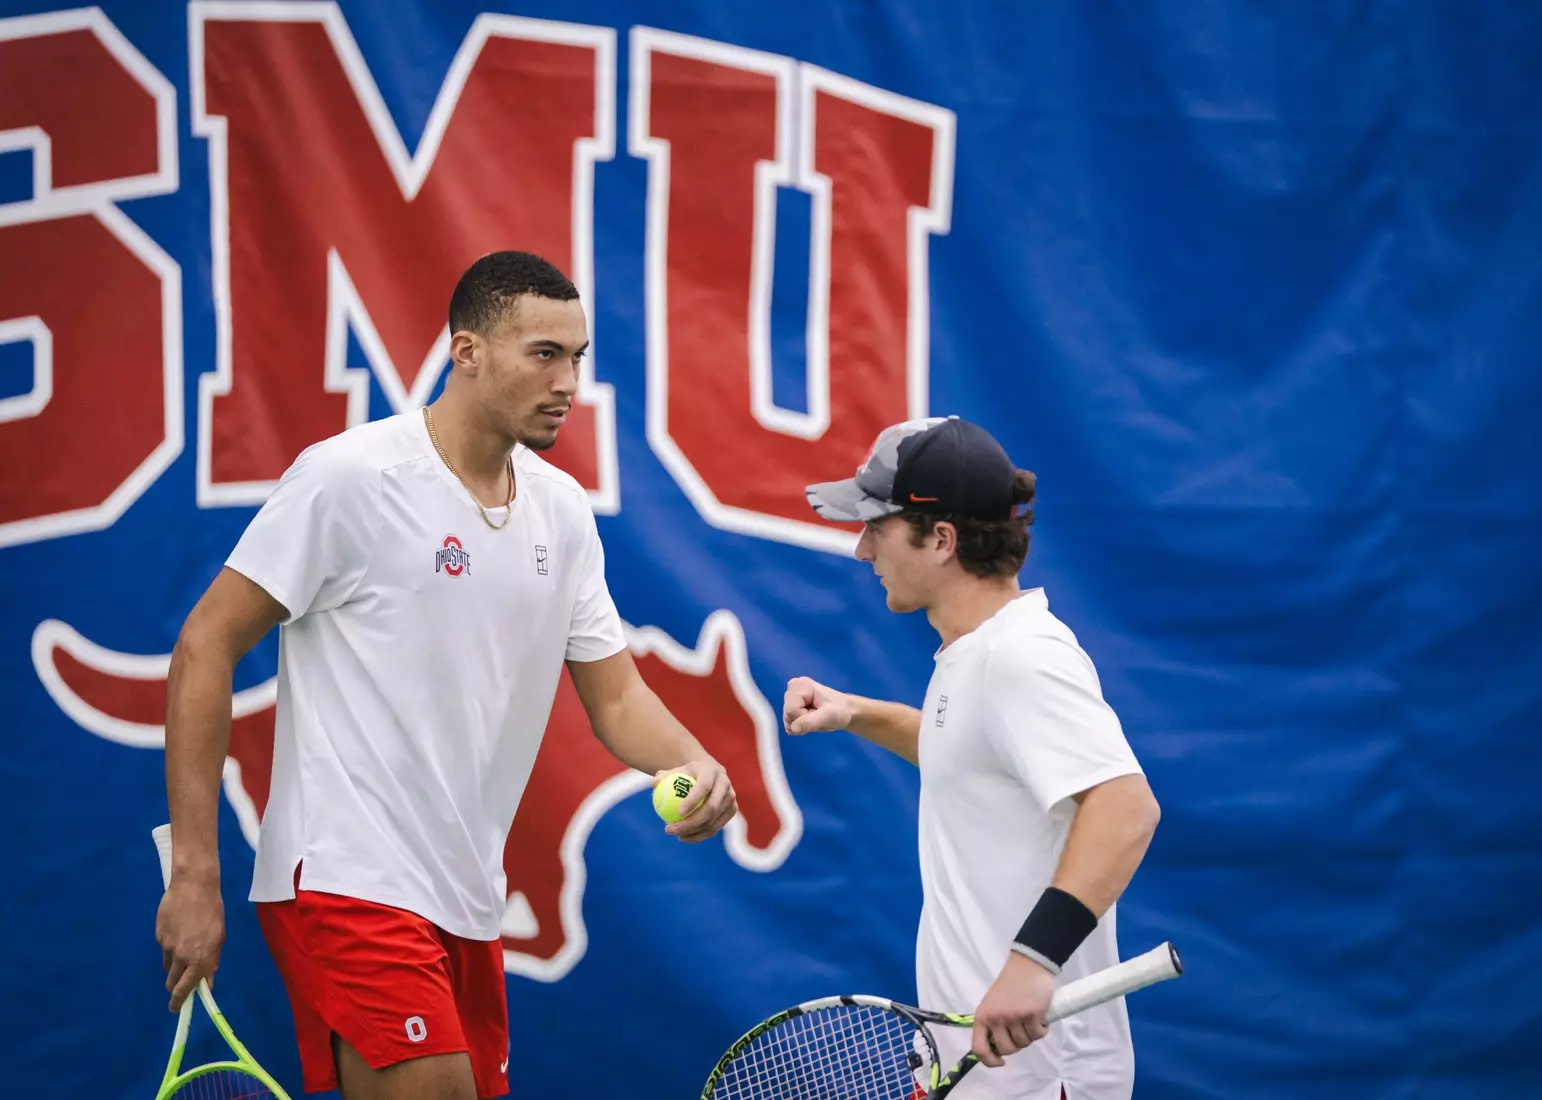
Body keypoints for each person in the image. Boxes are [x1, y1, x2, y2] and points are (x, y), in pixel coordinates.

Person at [155, 250, 739, 1100]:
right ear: (467, 352)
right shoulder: (350, 478)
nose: (568, 380)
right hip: (346, 874)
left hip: (466, 897)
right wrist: (196, 874)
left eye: (576, 357)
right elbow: (204, 646)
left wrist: (693, 763)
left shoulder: (563, 511)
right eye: (544, 353)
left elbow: (615, 696)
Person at [783, 416, 1160, 1099]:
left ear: (941, 540)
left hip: (1046, 1079)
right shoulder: (977, 652)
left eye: (878, 527)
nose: (863, 549)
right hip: (987, 1076)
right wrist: (857, 713)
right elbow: (971, 757)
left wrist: (1031, 963)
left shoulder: (1021, 656)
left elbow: (1127, 807)